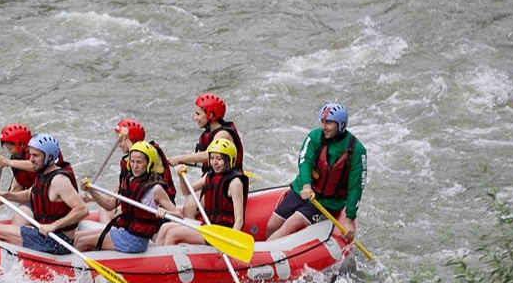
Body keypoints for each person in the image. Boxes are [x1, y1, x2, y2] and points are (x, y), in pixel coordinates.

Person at [266, 103, 367, 242]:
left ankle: (259, 260)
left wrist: (349, 219)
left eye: (329, 123)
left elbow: (356, 186)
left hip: (326, 202)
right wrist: (306, 185)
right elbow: (305, 161)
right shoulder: (314, 137)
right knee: (272, 225)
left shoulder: (357, 150)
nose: (324, 127)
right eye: (323, 122)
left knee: (291, 224)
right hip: (302, 190)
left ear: (341, 124)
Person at [0, 133, 87, 254]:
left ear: (49, 158)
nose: (31, 159)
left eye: (35, 156)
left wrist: (54, 225)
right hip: (46, 235)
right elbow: (30, 195)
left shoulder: (59, 180)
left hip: (58, 242)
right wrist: (6, 195)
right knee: (17, 229)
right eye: (30, 154)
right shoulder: (42, 174)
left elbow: (82, 210)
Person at [75, 141, 178, 253]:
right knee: (78, 236)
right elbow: (109, 205)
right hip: (124, 231)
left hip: (135, 240)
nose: (134, 166)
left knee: (82, 242)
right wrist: (91, 190)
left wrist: (166, 213)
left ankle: (74, 269)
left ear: (149, 164)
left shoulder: (156, 189)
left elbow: (179, 215)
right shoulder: (128, 181)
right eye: (132, 161)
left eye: (139, 162)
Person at [156, 138, 248, 246]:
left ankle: (168, 261)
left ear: (229, 159)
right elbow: (187, 191)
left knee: (172, 234)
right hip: (209, 227)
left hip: (222, 233)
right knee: (165, 227)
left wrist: (230, 242)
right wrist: (181, 177)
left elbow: (239, 220)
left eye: (219, 159)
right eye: (212, 158)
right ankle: (155, 260)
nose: (214, 162)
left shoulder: (235, 183)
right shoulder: (210, 176)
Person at [167, 93, 244, 218]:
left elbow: (207, 155)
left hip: (225, 180)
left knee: (190, 207)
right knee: (189, 197)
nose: (195, 118)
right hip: (212, 176)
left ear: (211, 115)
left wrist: (179, 158)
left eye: (198, 114)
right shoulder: (209, 133)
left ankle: (193, 236)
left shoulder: (222, 134)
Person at [92, 119, 177, 224]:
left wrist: (127, 139)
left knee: (106, 212)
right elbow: (118, 191)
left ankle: (109, 238)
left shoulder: (152, 153)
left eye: (120, 140)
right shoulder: (131, 164)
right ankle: (108, 237)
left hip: (159, 206)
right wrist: (92, 196)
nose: (118, 144)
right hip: (139, 205)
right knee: (103, 211)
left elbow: (143, 155)